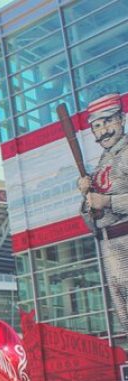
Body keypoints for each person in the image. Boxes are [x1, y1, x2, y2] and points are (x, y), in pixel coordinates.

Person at [78, 93, 128, 331]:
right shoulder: (102, 163)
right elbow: (91, 220)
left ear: (122, 119)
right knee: (124, 314)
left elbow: (105, 203)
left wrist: (106, 201)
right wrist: (87, 196)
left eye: (109, 122)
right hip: (110, 243)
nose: (104, 130)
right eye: (98, 126)